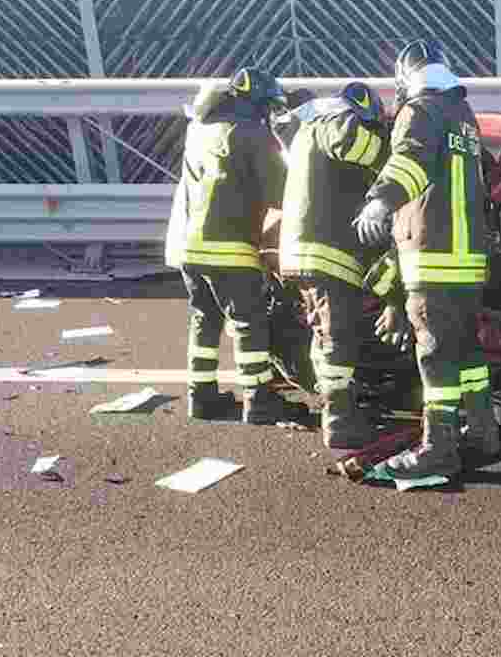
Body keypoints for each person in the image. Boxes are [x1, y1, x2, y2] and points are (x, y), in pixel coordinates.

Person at [354, 38, 501, 480]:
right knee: (467, 351)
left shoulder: (419, 111)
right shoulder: (463, 116)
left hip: (432, 256)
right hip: (468, 260)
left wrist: (379, 201)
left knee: (435, 356)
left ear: (406, 77)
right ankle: (483, 434)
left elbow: (411, 162)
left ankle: (438, 450)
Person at [276, 81, 409, 449]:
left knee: (326, 334)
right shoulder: (331, 123)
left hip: (306, 251)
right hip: (326, 253)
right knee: (338, 337)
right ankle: (339, 421)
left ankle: (338, 408)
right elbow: (358, 144)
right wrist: (396, 149)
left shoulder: (307, 133)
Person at [165, 66, 290, 423]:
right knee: (249, 323)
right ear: (258, 103)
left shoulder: (200, 129)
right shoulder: (253, 134)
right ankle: (259, 399)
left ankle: (201, 396)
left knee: (205, 318)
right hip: (230, 249)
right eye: (268, 106)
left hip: (189, 247)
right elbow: (281, 192)